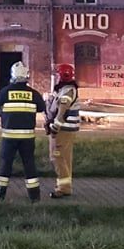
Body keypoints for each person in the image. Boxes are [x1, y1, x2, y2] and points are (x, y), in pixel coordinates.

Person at [0, 61, 46, 202]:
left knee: (5, 164)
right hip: (27, 138)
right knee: (29, 165)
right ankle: (35, 197)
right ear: (26, 76)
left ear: (12, 76)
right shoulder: (33, 94)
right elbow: (41, 107)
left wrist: (4, 115)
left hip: (9, 137)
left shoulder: (5, 92)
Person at [45, 63, 81, 198]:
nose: (55, 77)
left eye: (57, 74)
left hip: (63, 130)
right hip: (65, 130)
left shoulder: (67, 91)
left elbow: (62, 111)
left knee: (57, 157)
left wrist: (55, 127)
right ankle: (65, 186)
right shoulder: (64, 89)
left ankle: (64, 188)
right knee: (64, 158)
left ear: (61, 75)